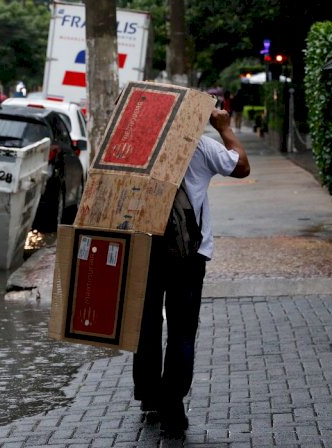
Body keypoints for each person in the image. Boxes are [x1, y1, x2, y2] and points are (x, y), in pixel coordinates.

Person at [133, 108, 250, 438]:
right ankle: (172, 406)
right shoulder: (199, 146)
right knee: (183, 330)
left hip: (143, 248)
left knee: (146, 323)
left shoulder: (138, 145)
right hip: (187, 253)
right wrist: (224, 128)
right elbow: (241, 166)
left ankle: (148, 395)